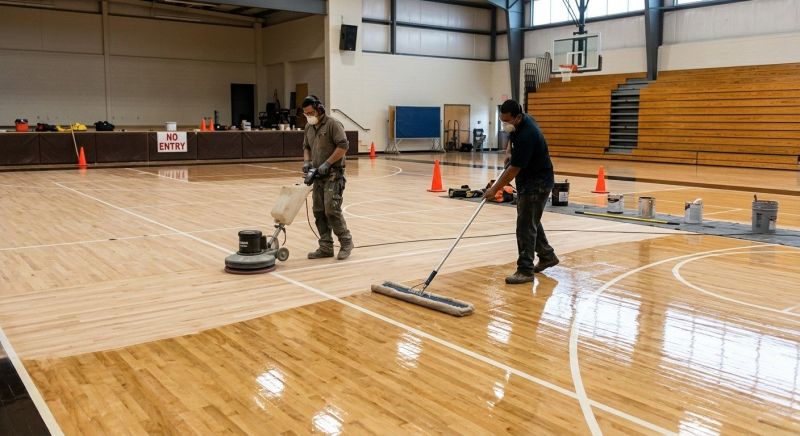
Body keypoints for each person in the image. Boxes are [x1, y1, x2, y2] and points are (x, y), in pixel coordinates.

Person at [483, 99, 559, 284]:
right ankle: (547, 256)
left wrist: (495, 189)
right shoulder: (522, 122)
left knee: (525, 226)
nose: (505, 125)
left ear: (518, 117)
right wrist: (509, 151)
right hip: (528, 181)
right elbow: (512, 139)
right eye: (502, 121)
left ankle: (525, 270)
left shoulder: (528, 134)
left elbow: (513, 170)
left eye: (507, 121)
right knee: (530, 220)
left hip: (537, 184)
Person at [301, 95, 354, 260]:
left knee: (331, 209)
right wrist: (307, 161)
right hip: (317, 176)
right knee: (318, 211)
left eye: (311, 112)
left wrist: (327, 163)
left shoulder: (332, 124)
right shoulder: (309, 128)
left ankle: (346, 242)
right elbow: (306, 147)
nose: (309, 116)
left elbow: (343, 146)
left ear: (319, 109)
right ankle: (325, 246)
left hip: (333, 175)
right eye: (306, 114)